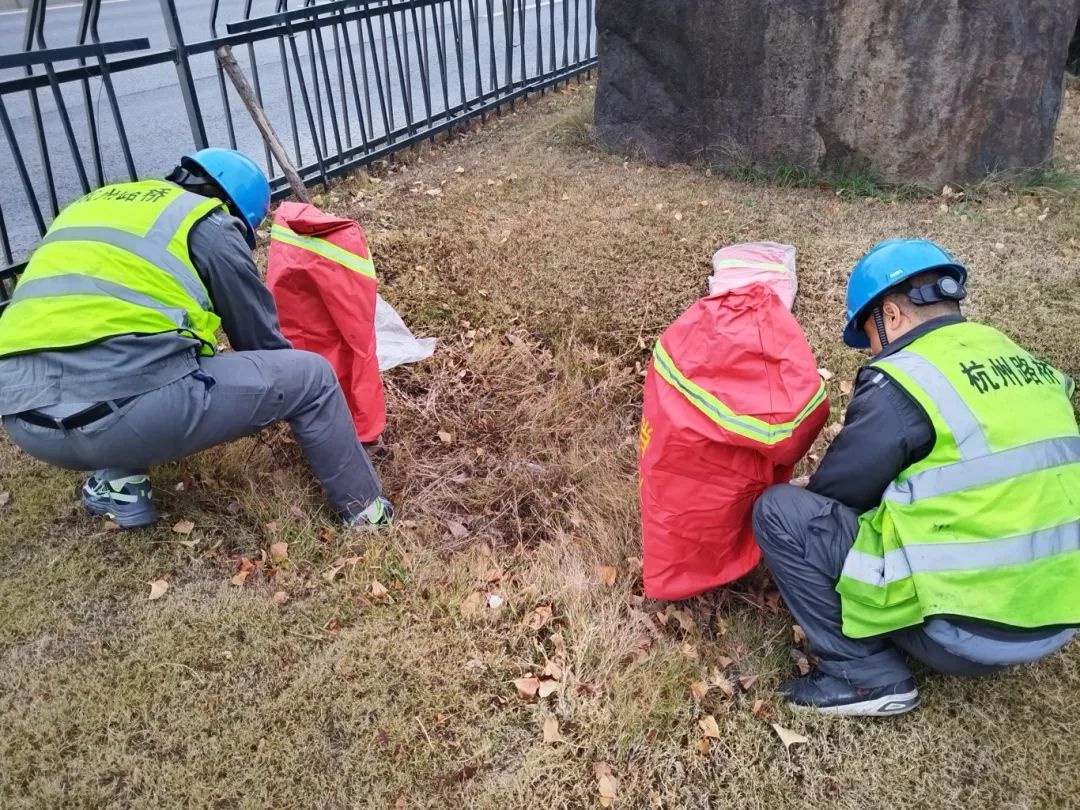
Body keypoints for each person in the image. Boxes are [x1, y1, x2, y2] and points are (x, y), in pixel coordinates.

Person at [752, 238, 1079, 716]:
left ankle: (861, 675)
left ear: (892, 315)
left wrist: (806, 493)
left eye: (870, 334)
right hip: (1055, 616)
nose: (872, 353)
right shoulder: (1020, 359)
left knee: (780, 511)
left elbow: (839, 496)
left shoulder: (904, 378)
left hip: (963, 633)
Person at [0, 148, 393, 530]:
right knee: (311, 378)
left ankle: (120, 487)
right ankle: (365, 510)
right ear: (234, 210)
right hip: (127, 417)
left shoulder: (93, 206)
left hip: (26, 421)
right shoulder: (209, 221)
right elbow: (260, 343)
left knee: (129, 355)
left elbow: (91, 321)